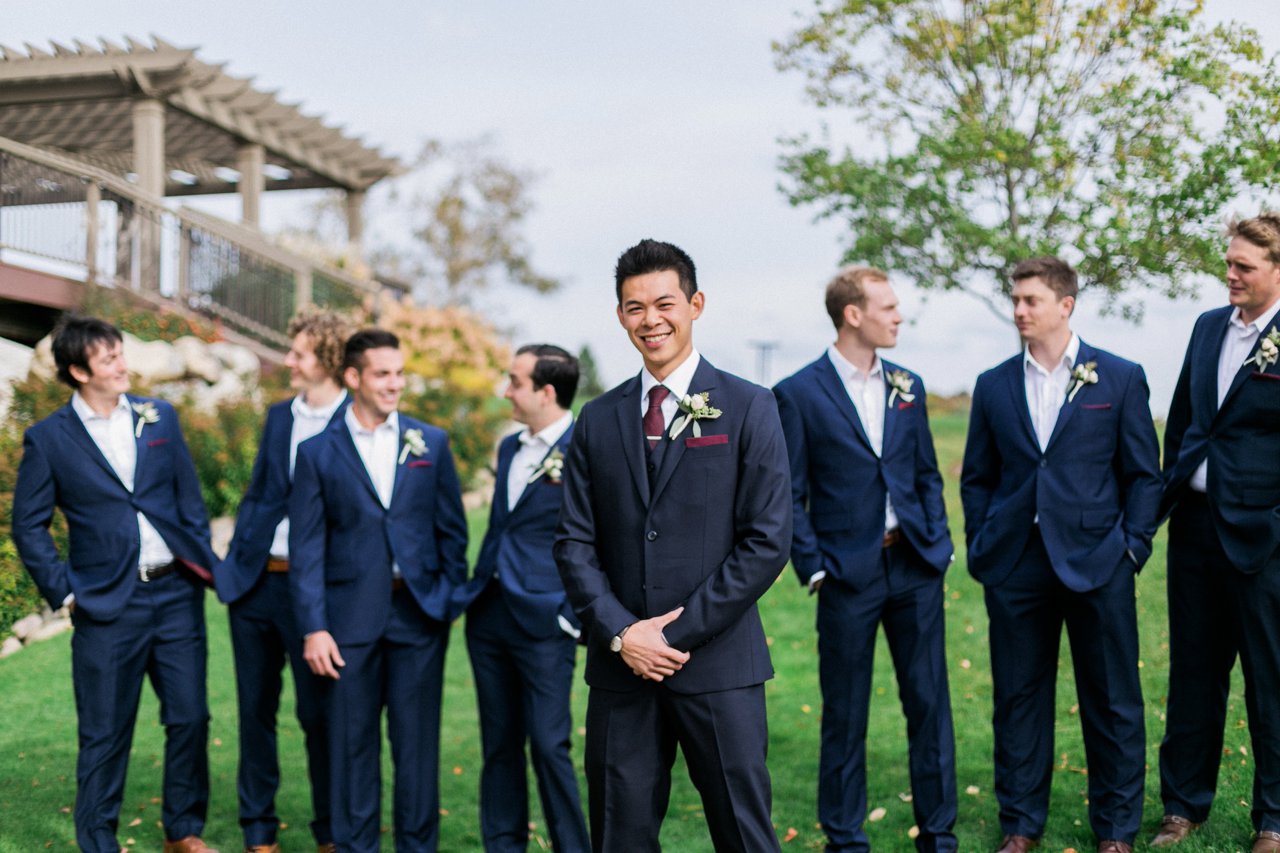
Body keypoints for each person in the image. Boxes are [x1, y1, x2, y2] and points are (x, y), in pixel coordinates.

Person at [554, 238, 792, 852]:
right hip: (619, 668)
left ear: (695, 304)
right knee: (618, 838)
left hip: (718, 665)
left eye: (664, 303)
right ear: (620, 316)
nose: (650, 320)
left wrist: (668, 637)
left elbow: (767, 541)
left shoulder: (749, 406)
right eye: (635, 308)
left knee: (744, 835)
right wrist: (621, 633)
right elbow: (574, 542)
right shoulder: (597, 420)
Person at [960, 257, 1161, 853]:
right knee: (1017, 699)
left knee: (1113, 700)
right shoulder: (994, 383)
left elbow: (1143, 475)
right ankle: (1020, 826)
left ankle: (1117, 831)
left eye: (1030, 301)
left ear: (1065, 305)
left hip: (1100, 562)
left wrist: (1132, 548)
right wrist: (983, 542)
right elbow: (978, 477)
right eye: (1016, 300)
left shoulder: (1120, 377)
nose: (1019, 310)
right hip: (1016, 564)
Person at [11, 316, 218, 853]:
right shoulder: (50, 439)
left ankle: (184, 831)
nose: (123, 365)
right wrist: (64, 591)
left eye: (121, 354)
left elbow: (188, 500)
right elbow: (27, 525)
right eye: (109, 360)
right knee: (104, 733)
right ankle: (99, 842)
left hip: (175, 595)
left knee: (191, 717)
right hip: (105, 606)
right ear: (79, 371)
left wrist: (198, 559)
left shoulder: (160, 418)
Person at [774, 266, 957, 853]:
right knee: (845, 714)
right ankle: (846, 840)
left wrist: (939, 542)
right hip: (846, 574)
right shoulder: (798, 393)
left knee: (929, 705)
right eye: (888, 307)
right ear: (853, 314)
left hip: (914, 565)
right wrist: (816, 566)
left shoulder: (909, 384)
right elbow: (787, 494)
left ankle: (939, 835)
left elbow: (925, 472)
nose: (898, 316)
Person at [288, 328, 468, 852]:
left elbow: (452, 531)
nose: (396, 384)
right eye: (384, 374)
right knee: (351, 750)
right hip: (345, 624)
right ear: (353, 377)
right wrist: (314, 627)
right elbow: (307, 549)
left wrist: (447, 598)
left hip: (418, 617)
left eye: (399, 373)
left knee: (416, 751)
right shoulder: (317, 453)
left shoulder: (429, 442)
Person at [1154, 214, 1280, 853]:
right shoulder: (1208, 328)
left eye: (1244, 267)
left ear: (1277, 271)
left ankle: (1275, 820)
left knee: (1271, 677)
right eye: (1228, 262)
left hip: (1265, 538)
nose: (1230, 274)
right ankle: (1181, 807)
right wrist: (1165, 495)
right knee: (1194, 675)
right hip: (1196, 532)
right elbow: (1183, 418)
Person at [216, 311, 350, 853]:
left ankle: (330, 834)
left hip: (314, 594)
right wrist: (234, 560)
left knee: (320, 716)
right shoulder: (279, 417)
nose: (289, 361)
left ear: (330, 359)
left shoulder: (356, 420)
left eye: (299, 353)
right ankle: (258, 833)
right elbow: (261, 491)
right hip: (254, 586)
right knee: (254, 711)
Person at [458, 344, 590, 852]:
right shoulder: (510, 447)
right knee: (499, 746)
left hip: (545, 619)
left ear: (546, 391)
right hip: (489, 613)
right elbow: (502, 527)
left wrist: (571, 614)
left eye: (514, 382)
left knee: (549, 745)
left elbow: (602, 539)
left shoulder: (585, 447)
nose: (506, 391)